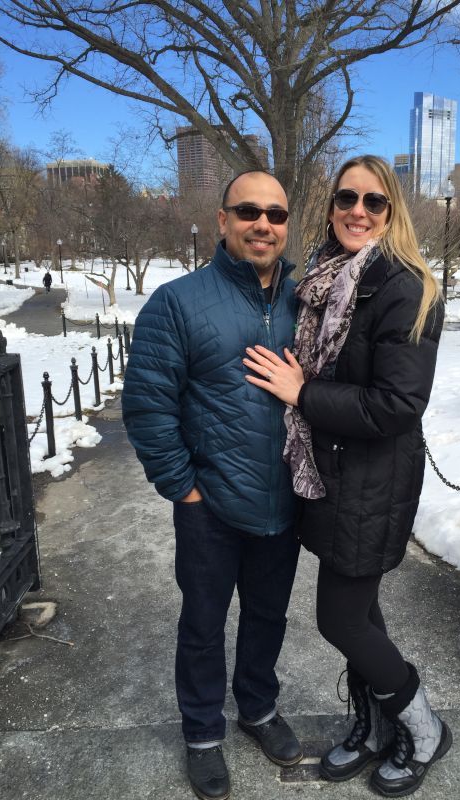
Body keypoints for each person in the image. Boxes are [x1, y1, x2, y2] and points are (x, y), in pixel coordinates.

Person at [243, 155, 449, 797]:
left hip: (372, 480)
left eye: (373, 201)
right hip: (336, 474)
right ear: (331, 206)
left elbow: (397, 405)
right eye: (346, 198)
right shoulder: (329, 276)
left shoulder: (403, 286)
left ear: (392, 212)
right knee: (362, 613)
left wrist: (302, 393)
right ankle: (374, 726)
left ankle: (424, 729)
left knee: (341, 619)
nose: (358, 211)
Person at [122, 170, 303, 800]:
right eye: (249, 211)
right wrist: (185, 488)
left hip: (283, 502)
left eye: (276, 214)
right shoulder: (177, 302)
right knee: (202, 623)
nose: (263, 224)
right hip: (210, 505)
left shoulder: (306, 301)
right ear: (223, 219)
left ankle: (257, 707)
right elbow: (147, 406)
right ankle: (202, 732)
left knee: (268, 615)